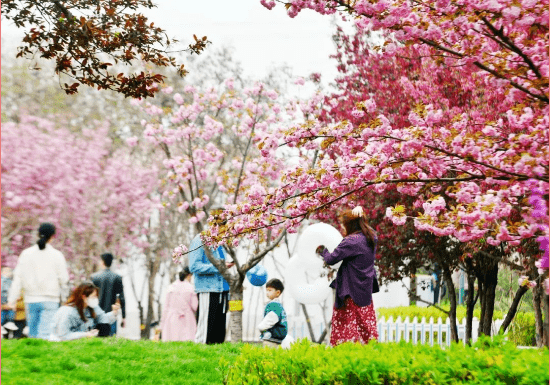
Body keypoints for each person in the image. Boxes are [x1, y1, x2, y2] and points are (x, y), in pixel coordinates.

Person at [317, 206, 379, 346]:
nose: (343, 229)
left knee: (347, 328)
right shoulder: (371, 237)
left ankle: (347, 355)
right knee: (365, 325)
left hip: (350, 289)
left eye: (344, 226)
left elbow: (331, 259)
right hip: (365, 288)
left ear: (350, 224)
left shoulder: (351, 241)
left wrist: (322, 250)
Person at [7, 223, 70, 339]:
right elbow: (64, 280)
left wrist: (12, 299)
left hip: (31, 299)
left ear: (38, 234)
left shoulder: (26, 254)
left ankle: (32, 355)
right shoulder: (57, 255)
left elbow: (18, 278)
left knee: (33, 333)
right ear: (53, 237)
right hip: (51, 298)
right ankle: (43, 356)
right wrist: (65, 298)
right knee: (45, 334)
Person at [188, 233, 234, 344]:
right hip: (208, 290)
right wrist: (218, 267)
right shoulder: (200, 240)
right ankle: (199, 356)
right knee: (205, 333)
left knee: (219, 334)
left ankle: (216, 357)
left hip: (223, 290)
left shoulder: (221, 241)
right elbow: (194, 266)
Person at [49, 282, 120, 341]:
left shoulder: (92, 307)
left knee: (105, 328)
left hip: (79, 343)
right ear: (84, 297)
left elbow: (103, 319)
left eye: (96, 297)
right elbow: (63, 335)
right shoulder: (67, 311)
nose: (96, 299)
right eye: (93, 297)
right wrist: (85, 334)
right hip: (62, 343)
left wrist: (114, 312)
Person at [91, 253, 126, 336]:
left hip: (96, 314)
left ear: (102, 262)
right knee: (110, 340)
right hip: (112, 314)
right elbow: (121, 297)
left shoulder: (94, 277)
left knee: (95, 340)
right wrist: (124, 316)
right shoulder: (117, 277)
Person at [160, 267, 198, 341]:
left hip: (171, 317)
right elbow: (195, 306)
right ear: (189, 275)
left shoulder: (171, 287)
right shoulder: (191, 288)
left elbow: (166, 308)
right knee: (187, 340)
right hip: (187, 317)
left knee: (171, 340)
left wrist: (162, 324)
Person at [257, 278, 288, 347]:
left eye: (270, 290)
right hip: (277, 338)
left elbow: (271, 318)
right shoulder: (279, 306)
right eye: (267, 290)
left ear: (277, 293)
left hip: (271, 338)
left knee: (268, 355)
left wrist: (261, 327)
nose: (267, 293)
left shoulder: (274, 305)